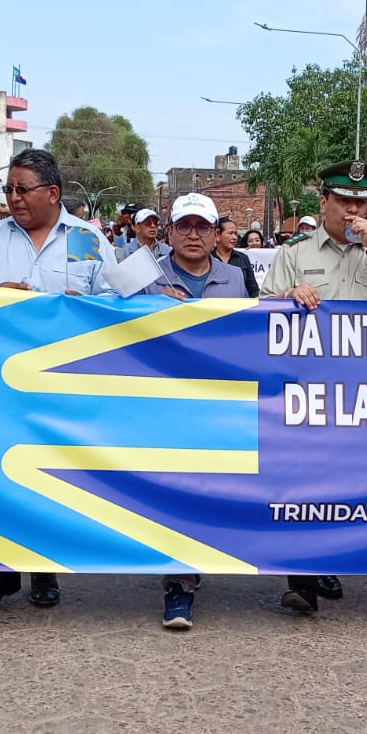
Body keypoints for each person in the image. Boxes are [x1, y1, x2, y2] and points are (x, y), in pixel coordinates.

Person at [0, 148, 118, 613]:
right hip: (0, 382)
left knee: (49, 473)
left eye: (21, 189)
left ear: (53, 193)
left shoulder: (86, 239)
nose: (12, 198)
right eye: (7, 189)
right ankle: (0, 572)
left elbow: (114, 300)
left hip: (61, 382)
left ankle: (45, 567)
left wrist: (83, 306)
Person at [264, 160, 367, 612]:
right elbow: (263, 309)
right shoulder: (295, 253)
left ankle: (328, 559)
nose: (351, 209)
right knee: (304, 479)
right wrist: (289, 297)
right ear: (323, 201)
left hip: (362, 391)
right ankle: (302, 578)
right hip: (305, 388)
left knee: (347, 479)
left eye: (359, 202)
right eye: (343, 200)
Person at [137, 193, 249, 629]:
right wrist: (148, 305)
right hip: (161, 405)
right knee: (173, 490)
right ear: (169, 232)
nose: (193, 235)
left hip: (217, 405)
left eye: (203, 227)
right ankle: (178, 584)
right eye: (184, 226)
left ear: (216, 233)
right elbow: (101, 313)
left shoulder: (236, 278)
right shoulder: (146, 277)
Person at [213, 217, 259, 298]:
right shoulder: (208, 258)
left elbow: (253, 290)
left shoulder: (242, 258)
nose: (234, 237)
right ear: (218, 235)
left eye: (235, 234)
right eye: (230, 233)